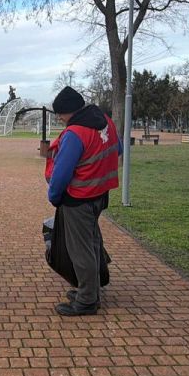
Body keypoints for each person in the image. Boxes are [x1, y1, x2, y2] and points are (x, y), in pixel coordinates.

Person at [45, 86, 122, 316]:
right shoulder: (105, 121)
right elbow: (116, 150)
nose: (59, 118)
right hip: (100, 194)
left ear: (71, 110)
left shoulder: (75, 133)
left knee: (81, 250)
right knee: (92, 243)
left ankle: (87, 300)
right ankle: (91, 290)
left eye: (60, 113)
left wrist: (54, 196)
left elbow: (61, 173)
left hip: (78, 199)